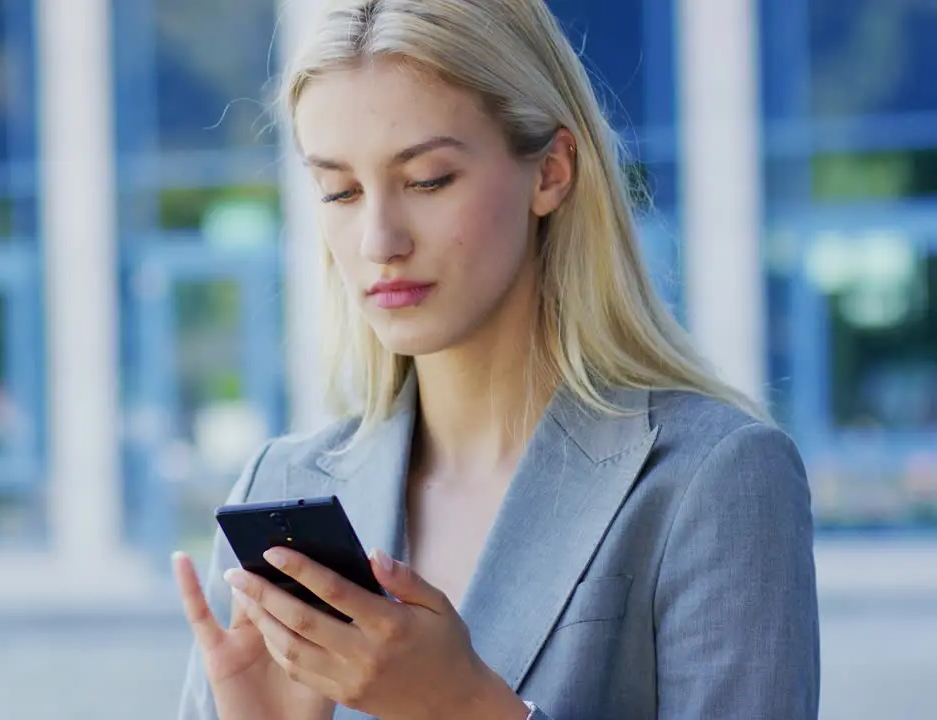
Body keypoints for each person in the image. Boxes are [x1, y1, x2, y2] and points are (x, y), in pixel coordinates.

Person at [173, 0, 820, 718]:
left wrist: (465, 707)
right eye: (341, 191)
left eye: (427, 180)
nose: (378, 240)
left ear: (551, 172)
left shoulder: (715, 478)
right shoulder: (282, 484)